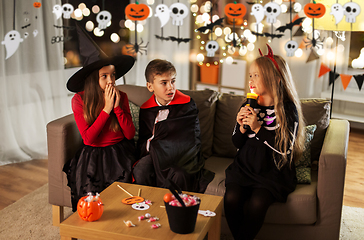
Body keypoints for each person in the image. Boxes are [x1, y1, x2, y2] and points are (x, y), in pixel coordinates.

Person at [224, 45, 305, 240]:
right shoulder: (248, 104)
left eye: (256, 76)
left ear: (276, 79)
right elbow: (236, 142)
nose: (250, 80)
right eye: (250, 75)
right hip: (245, 167)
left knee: (258, 203)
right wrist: (241, 126)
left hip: (272, 170)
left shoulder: (287, 109)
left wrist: (259, 128)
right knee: (231, 198)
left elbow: (285, 150)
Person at [63, 55, 136, 211]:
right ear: (92, 79)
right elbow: (88, 139)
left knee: (122, 199)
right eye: (104, 76)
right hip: (93, 155)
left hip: (120, 152)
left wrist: (116, 107)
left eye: (113, 75)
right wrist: (107, 109)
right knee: (92, 201)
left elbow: (130, 134)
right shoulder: (78, 100)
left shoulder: (121, 96)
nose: (111, 80)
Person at [133, 59, 214, 193]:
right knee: (141, 169)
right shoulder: (146, 109)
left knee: (179, 174)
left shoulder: (187, 104)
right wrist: (155, 142)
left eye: (173, 81)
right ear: (150, 86)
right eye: (164, 83)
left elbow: (192, 138)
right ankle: (147, 204)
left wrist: (162, 139)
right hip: (156, 155)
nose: (170, 87)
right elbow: (144, 141)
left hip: (183, 155)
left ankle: (173, 207)